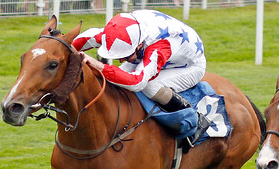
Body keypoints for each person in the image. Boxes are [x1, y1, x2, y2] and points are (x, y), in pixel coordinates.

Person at [74, 10, 211, 144]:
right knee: (117, 80)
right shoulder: (117, 32)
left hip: (190, 66)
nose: (121, 60)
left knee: (150, 86)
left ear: (139, 45)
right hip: (161, 49)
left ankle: (194, 117)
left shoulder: (158, 46)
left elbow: (137, 82)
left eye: (125, 56)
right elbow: (81, 40)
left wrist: (99, 66)